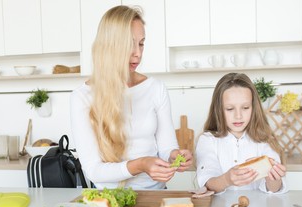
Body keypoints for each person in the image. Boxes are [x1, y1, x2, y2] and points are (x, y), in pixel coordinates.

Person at [70, 5, 192, 190]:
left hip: (155, 196)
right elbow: (93, 171)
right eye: (129, 44)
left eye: (141, 43)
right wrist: (140, 164)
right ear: (110, 46)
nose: (138, 53)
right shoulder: (82, 97)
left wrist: (175, 156)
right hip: (110, 203)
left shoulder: (155, 88)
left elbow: (166, 147)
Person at [195, 73, 287, 194]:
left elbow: (274, 188)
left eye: (245, 107)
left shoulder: (266, 140)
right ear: (218, 110)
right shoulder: (208, 140)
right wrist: (227, 179)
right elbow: (207, 183)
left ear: (254, 108)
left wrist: (273, 177)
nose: (238, 116)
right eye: (229, 109)